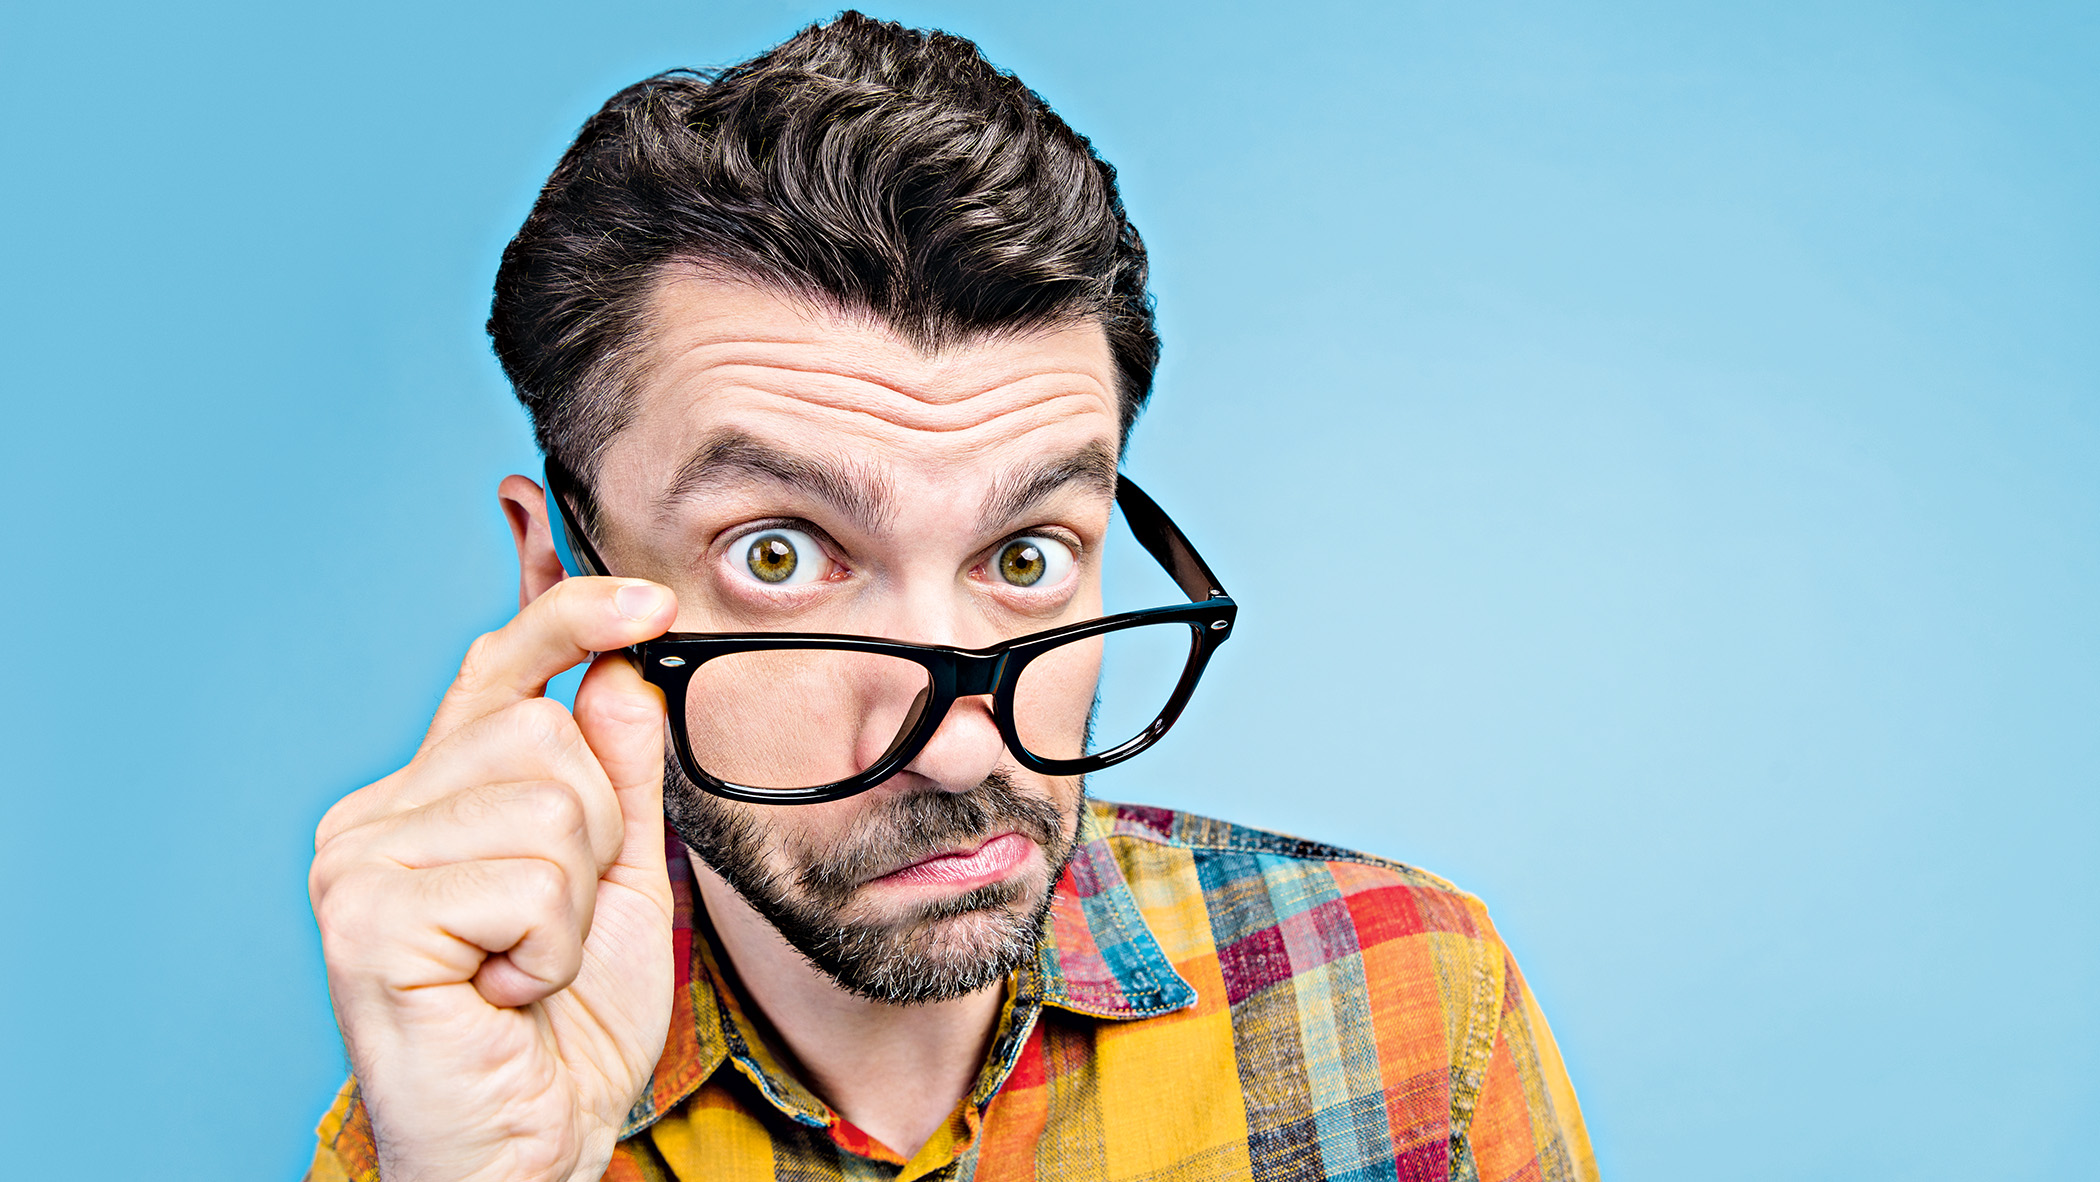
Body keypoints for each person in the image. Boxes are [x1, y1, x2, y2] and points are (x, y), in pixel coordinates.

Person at [304, 13, 1596, 1181]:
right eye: (780, 555)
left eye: (1026, 554)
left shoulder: (1400, 997)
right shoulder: (455, 1112)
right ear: (562, 575)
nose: (966, 741)